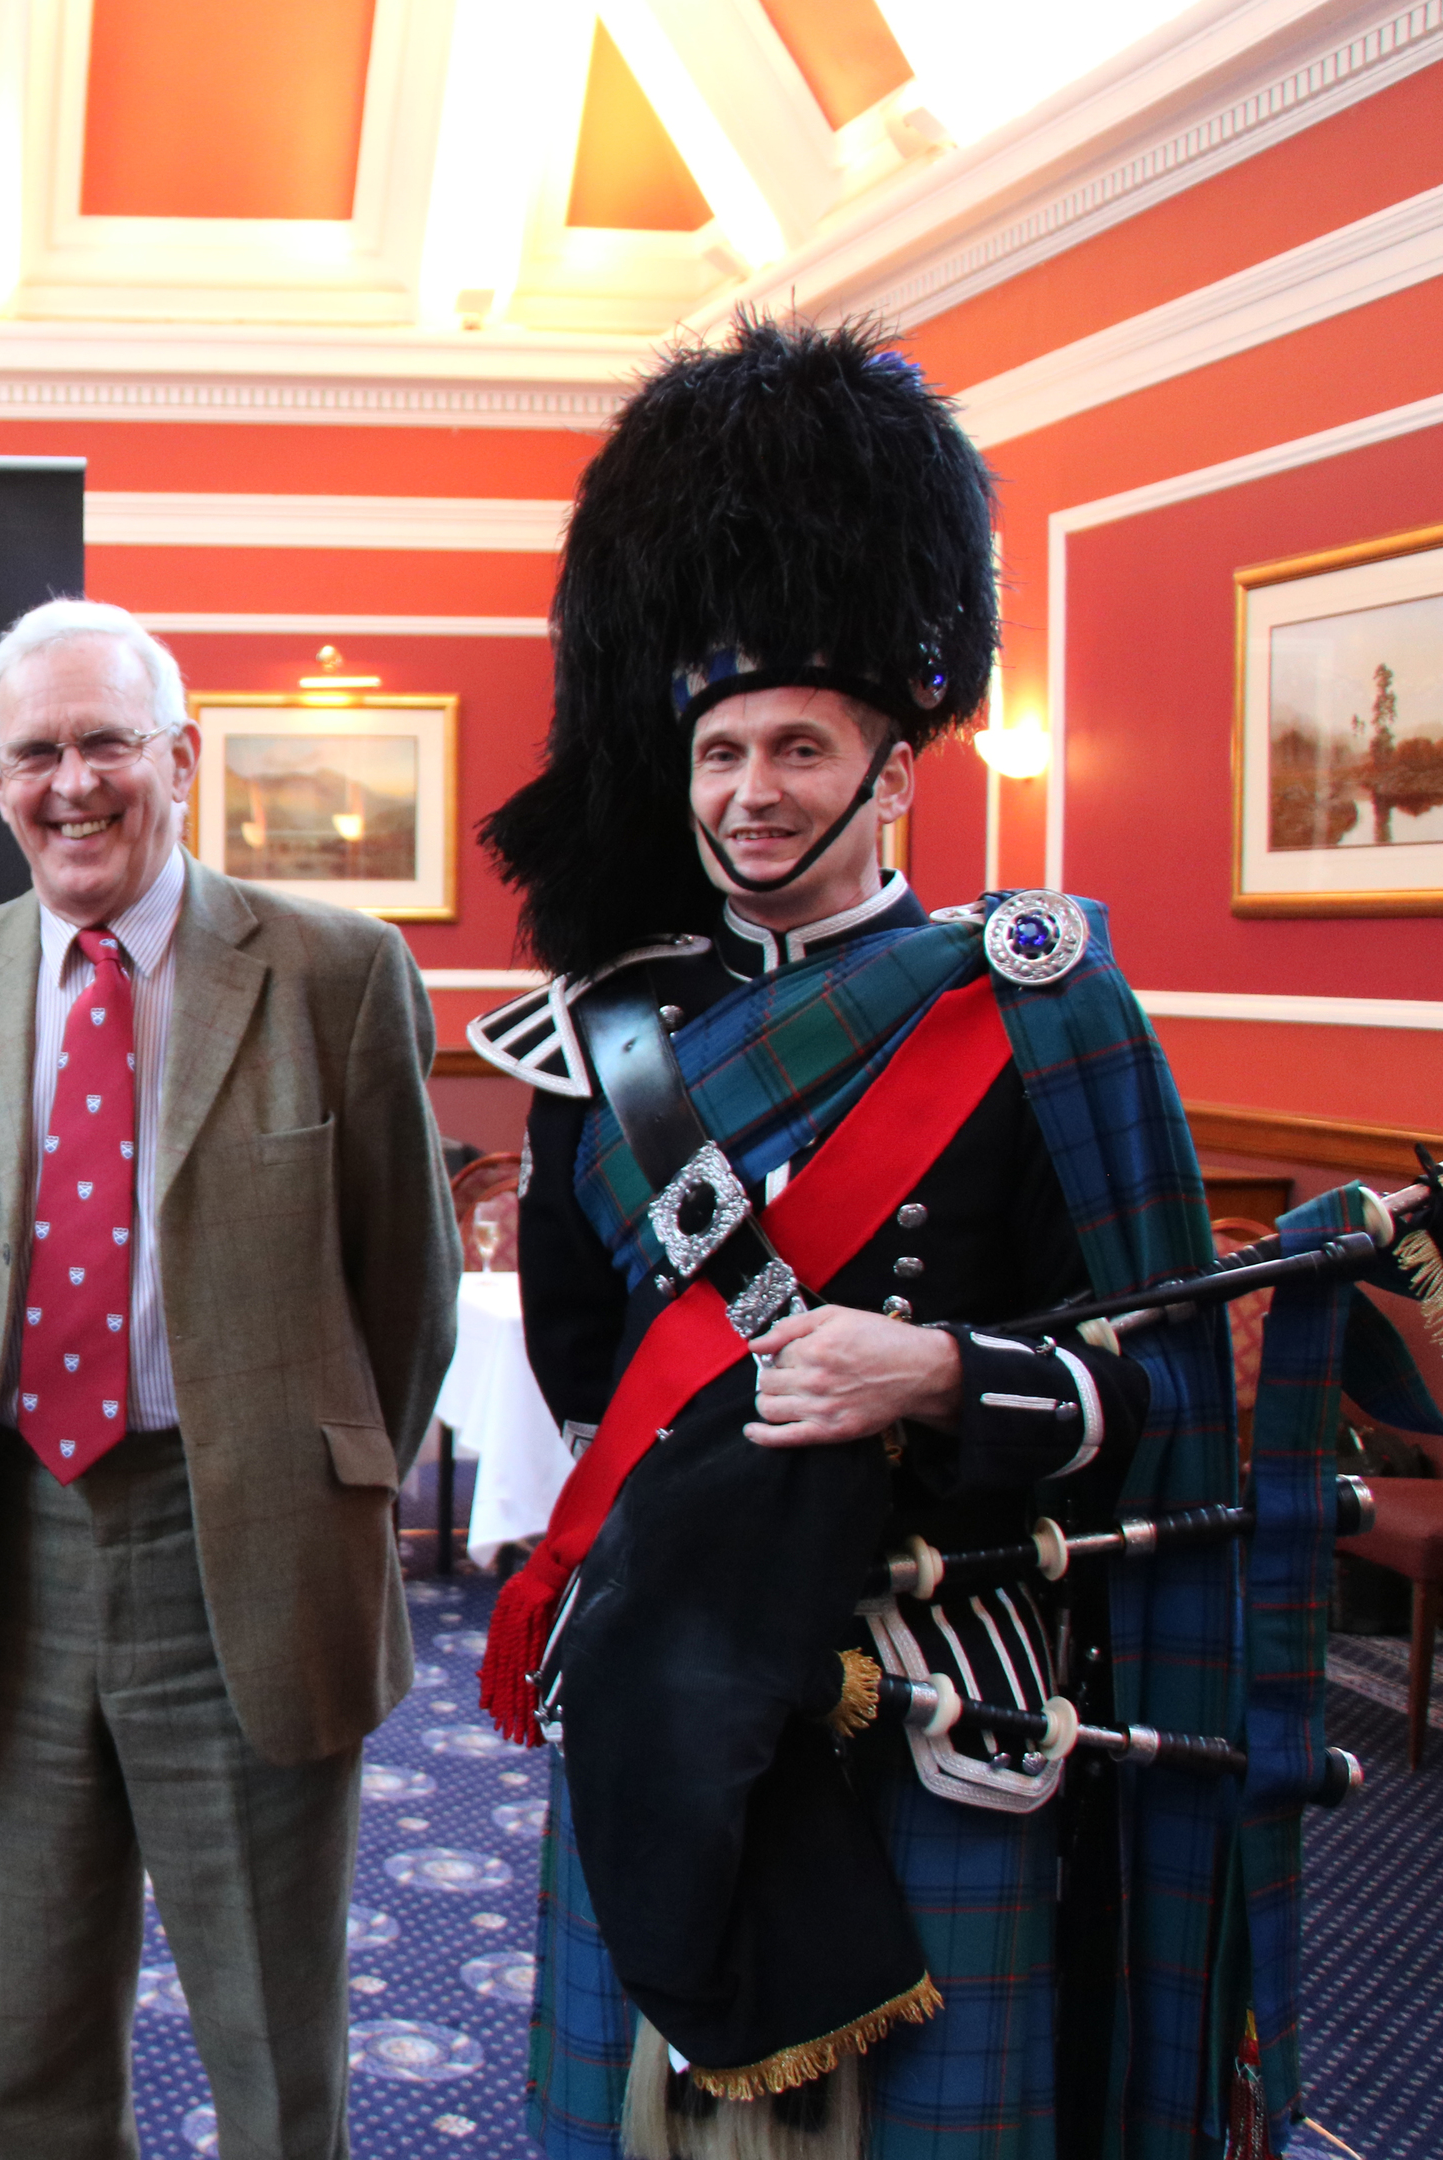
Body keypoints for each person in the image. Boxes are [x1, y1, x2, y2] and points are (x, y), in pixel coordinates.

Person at [469, 317, 1368, 2159]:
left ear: (897, 763)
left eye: (800, 747)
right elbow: (582, 1366)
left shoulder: (1033, 1009)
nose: (750, 794)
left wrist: (944, 1369)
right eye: (720, 751)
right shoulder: (594, 1037)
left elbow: (1161, 1387)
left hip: (947, 1662)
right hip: (679, 1658)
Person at [0, 598, 460, 2159]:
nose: (74, 785)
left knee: (273, 2042)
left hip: (244, 1560)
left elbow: (406, 1290)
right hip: (19, 1564)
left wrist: (305, 1482)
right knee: (42, 2039)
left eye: (107, 743)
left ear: (180, 756)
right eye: (36, 753)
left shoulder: (335, 971)